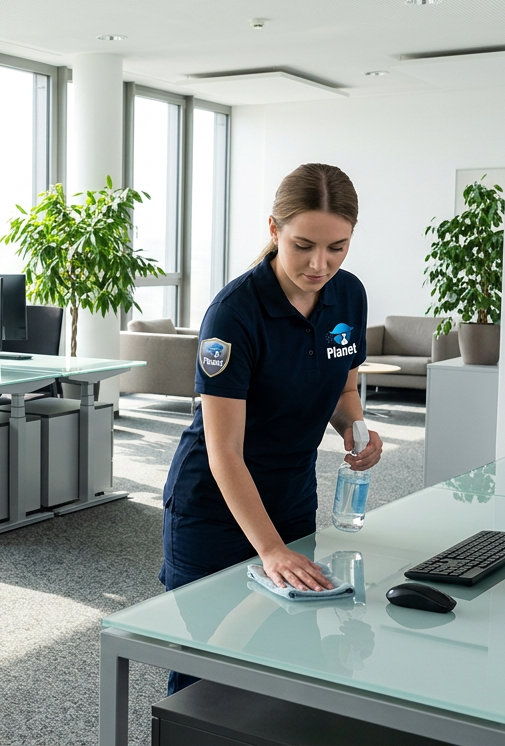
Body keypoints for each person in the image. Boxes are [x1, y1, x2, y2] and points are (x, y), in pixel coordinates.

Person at [159, 163, 384, 693]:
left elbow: (343, 387)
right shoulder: (234, 315)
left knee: (287, 655)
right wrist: (271, 549)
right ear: (273, 230)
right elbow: (223, 453)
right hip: (215, 508)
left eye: (337, 247)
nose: (319, 264)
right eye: (303, 245)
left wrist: (356, 429)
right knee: (210, 672)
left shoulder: (348, 296)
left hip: (289, 496)